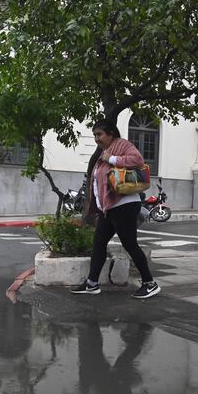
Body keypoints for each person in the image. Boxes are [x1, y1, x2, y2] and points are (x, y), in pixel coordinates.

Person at [74, 120, 161, 299]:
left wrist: (112, 159)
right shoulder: (103, 152)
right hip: (111, 207)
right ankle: (92, 283)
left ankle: (150, 283)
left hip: (125, 204)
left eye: (99, 134)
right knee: (98, 242)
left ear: (111, 134)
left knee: (130, 244)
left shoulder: (121, 145)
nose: (96, 138)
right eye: (95, 135)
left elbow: (137, 160)